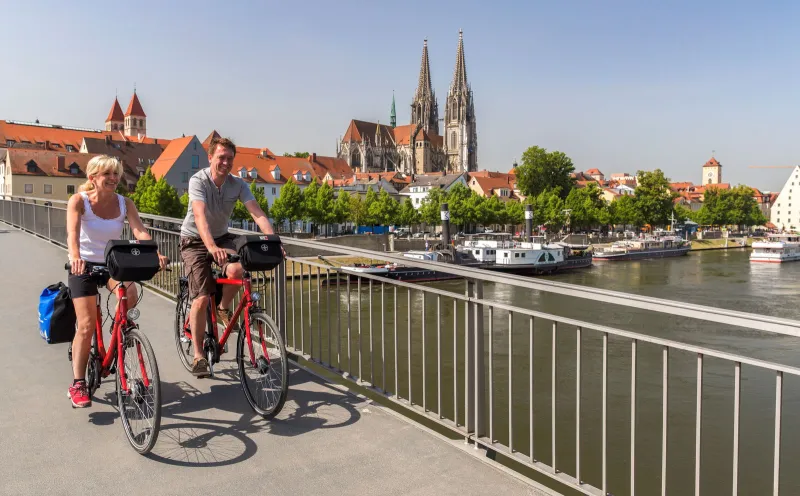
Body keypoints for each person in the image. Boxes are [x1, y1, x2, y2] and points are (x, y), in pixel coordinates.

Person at [66, 155, 169, 408]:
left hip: (113, 264)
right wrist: (76, 257)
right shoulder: (79, 201)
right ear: (93, 178)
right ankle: (78, 383)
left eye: (116, 174)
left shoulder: (125, 203)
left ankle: (119, 329)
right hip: (84, 266)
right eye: (107, 174)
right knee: (86, 324)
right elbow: (72, 234)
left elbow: (139, 230)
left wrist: (154, 252)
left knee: (130, 294)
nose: (113, 179)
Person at [180, 136, 276, 377]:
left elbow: (256, 212)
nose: (225, 162)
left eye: (230, 158)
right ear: (210, 157)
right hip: (194, 240)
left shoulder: (238, 184)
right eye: (221, 157)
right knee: (202, 298)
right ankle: (199, 356)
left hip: (221, 238)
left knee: (238, 270)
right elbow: (200, 216)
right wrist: (211, 247)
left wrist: (273, 240)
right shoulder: (198, 181)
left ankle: (223, 307)